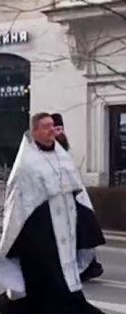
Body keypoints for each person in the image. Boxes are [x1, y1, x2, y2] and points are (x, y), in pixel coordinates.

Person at [0, 113, 108, 314]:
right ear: (34, 132)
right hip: (40, 230)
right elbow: (18, 200)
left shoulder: (62, 156)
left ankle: (19, 311)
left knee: (58, 276)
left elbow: (76, 189)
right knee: (52, 277)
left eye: (52, 126)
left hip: (65, 224)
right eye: (45, 127)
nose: (50, 131)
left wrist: (85, 221)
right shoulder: (26, 162)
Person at [50, 112, 103, 282]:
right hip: (60, 201)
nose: (60, 132)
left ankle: (86, 266)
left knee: (84, 231)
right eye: (56, 129)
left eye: (61, 128)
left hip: (76, 198)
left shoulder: (66, 150)